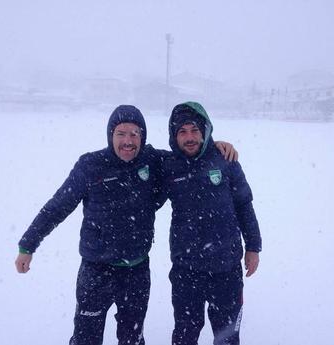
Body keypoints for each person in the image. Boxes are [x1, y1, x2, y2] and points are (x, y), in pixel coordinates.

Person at [15, 105, 237, 345]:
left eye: (135, 134)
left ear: (142, 137)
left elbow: (188, 152)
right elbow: (57, 207)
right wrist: (28, 245)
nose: (128, 141)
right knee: (85, 338)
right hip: (96, 270)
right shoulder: (90, 165)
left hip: (136, 271)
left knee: (132, 337)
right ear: (111, 135)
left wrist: (214, 147)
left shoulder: (153, 160)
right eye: (121, 133)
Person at [161, 101, 262, 345]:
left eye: (195, 130)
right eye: (182, 132)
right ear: (174, 136)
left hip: (226, 269)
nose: (189, 137)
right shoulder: (167, 165)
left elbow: (244, 205)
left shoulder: (225, 160)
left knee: (227, 337)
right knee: (184, 335)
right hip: (186, 270)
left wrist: (253, 246)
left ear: (205, 131)